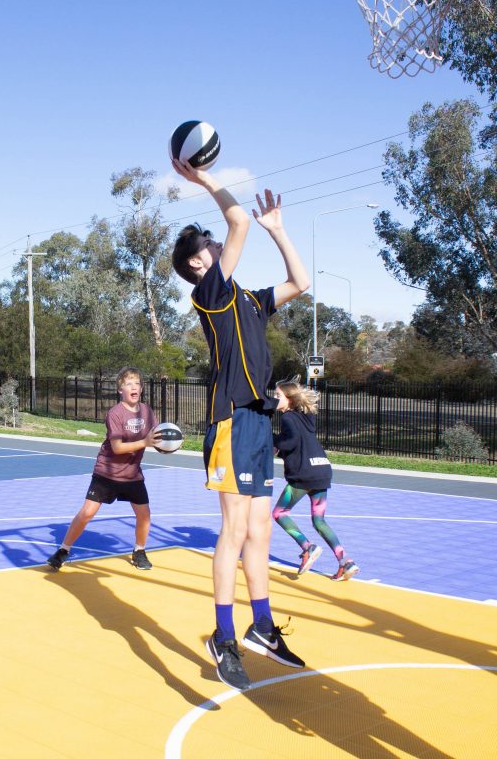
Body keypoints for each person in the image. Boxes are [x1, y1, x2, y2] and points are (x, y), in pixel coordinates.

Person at [171, 160, 310, 691]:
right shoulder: (210, 293)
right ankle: (223, 636)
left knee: (260, 528)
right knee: (233, 530)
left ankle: (263, 626)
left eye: (209, 247)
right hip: (230, 420)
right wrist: (205, 180)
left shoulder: (249, 300)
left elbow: (300, 281)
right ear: (195, 267)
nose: (209, 251)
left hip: (258, 420)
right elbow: (238, 223)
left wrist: (280, 230)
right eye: (201, 252)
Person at [47, 367, 161, 571]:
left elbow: (156, 436)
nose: (133, 387)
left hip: (132, 474)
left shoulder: (147, 411)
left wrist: (168, 441)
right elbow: (117, 448)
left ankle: (139, 551)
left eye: (136, 383)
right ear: (120, 390)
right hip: (107, 472)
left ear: (141, 388)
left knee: (144, 514)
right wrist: (145, 442)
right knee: (87, 513)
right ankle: (64, 550)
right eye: (128, 384)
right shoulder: (115, 413)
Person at [272, 377, 359, 581]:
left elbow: (290, 442)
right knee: (319, 520)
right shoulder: (307, 416)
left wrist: (271, 439)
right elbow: (297, 444)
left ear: (290, 398)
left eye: (278, 396)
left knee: (279, 513)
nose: (274, 399)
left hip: (304, 475)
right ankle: (345, 561)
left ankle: (308, 547)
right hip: (321, 469)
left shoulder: (287, 418)